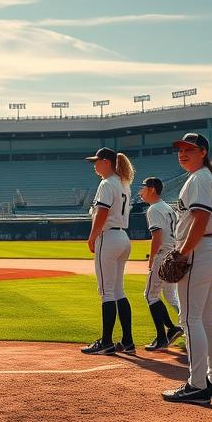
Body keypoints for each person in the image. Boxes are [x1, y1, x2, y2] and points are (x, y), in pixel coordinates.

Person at [161, 133, 212, 405]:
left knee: (190, 321)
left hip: (199, 251)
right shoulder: (206, 178)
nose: (183, 154)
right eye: (180, 150)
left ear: (203, 152)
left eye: (189, 149)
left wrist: (183, 252)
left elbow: (200, 218)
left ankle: (197, 385)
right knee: (207, 321)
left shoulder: (199, 178)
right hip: (211, 250)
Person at [81, 147, 135, 355]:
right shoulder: (123, 183)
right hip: (123, 237)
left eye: (97, 161)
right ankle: (128, 341)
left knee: (107, 292)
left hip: (109, 237)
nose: (94, 165)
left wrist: (92, 236)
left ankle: (106, 342)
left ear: (106, 162)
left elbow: (102, 212)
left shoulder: (106, 183)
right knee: (119, 291)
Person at [139, 177, 184, 351]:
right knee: (170, 295)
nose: (141, 192)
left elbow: (156, 236)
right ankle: (176, 329)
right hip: (172, 252)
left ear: (151, 189)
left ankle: (161, 337)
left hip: (162, 255)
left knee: (150, 295)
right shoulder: (168, 208)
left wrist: (151, 260)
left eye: (143, 188)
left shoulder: (154, 209)